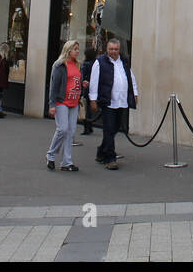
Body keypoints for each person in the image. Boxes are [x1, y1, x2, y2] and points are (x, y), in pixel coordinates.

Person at [89, 37, 138, 169]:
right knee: (108, 128)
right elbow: (94, 81)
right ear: (107, 49)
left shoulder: (124, 61)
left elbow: (130, 77)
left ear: (119, 49)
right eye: (111, 49)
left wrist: (135, 93)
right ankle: (110, 158)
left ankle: (101, 150)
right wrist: (92, 99)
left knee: (115, 127)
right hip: (108, 101)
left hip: (121, 100)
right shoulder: (100, 62)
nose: (113, 51)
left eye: (116, 49)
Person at [47, 39, 83, 172]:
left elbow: (76, 81)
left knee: (70, 132)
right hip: (62, 101)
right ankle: (51, 154)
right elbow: (54, 85)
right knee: (62, 129)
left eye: (78, 49)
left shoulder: (77, 64)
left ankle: (66, 162)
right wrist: (52, 104)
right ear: (68, 50)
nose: (77, 51)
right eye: (75, 49)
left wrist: (82, 85)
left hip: (74, 101)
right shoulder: (59, 65)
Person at [79, 47, 98, 135]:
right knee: (89, 108)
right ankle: (90, 126)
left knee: (86, 109)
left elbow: (81, 76)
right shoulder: (96, 63)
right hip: (94, 87)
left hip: (86, 87)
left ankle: (87, 127)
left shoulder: (85, 64)